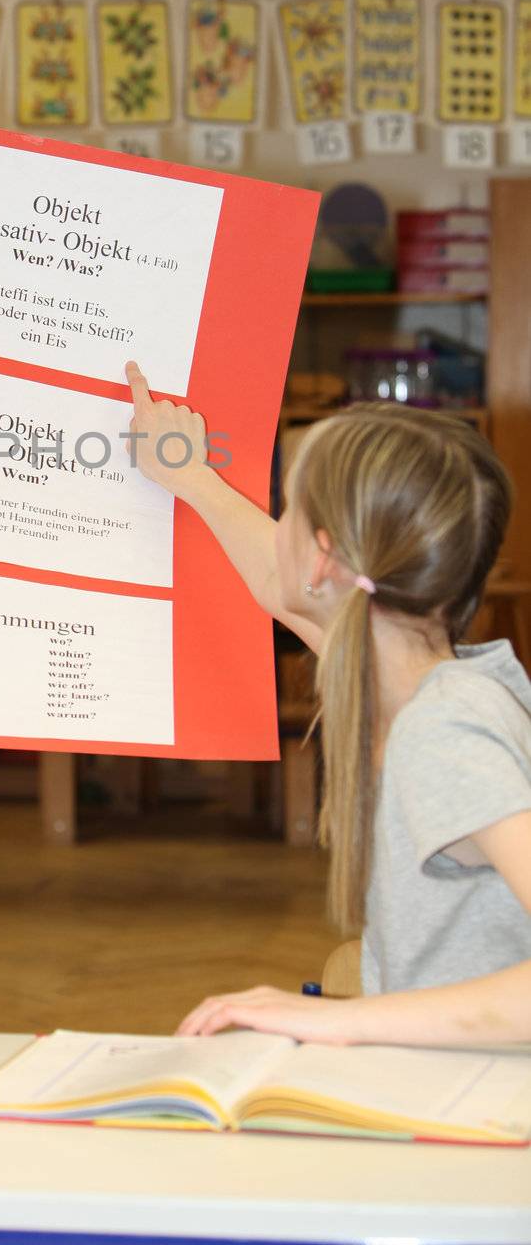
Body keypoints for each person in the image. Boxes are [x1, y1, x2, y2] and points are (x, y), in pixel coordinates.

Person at [125, 361, 531, 1047]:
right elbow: (270, 574)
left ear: (321, 562)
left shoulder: (444, 729)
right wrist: (187, 475)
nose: (275, 528)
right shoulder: (397, 677)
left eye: (288, 509)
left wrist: (339, 1020)